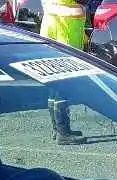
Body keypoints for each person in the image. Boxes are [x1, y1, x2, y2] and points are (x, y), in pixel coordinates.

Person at [38, 0, 92, 145]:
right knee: (63, 86)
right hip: (65, 41)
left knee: (55, 86)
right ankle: (63, 132)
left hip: (55, 39)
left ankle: (58, 129)